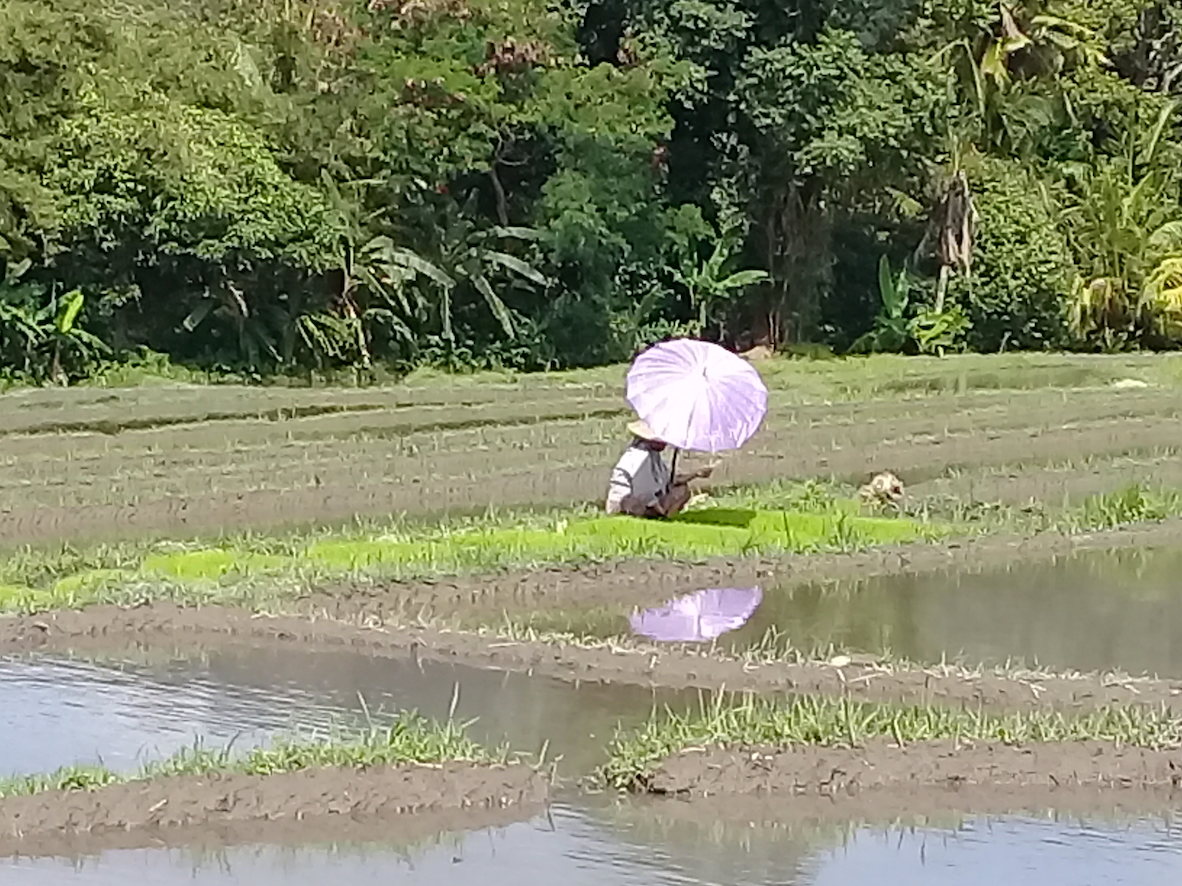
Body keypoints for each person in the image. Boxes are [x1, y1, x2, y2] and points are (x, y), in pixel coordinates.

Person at [605, 420, 713, 518]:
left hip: (645, 500)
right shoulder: (639, 458)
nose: (665, 442)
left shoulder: (653, 456)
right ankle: (662, 518)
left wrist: (696, 474)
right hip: (628, 504)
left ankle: (663, 518)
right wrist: (659, 509)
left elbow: (668, 481)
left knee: (682, 490)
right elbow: (644, 492)